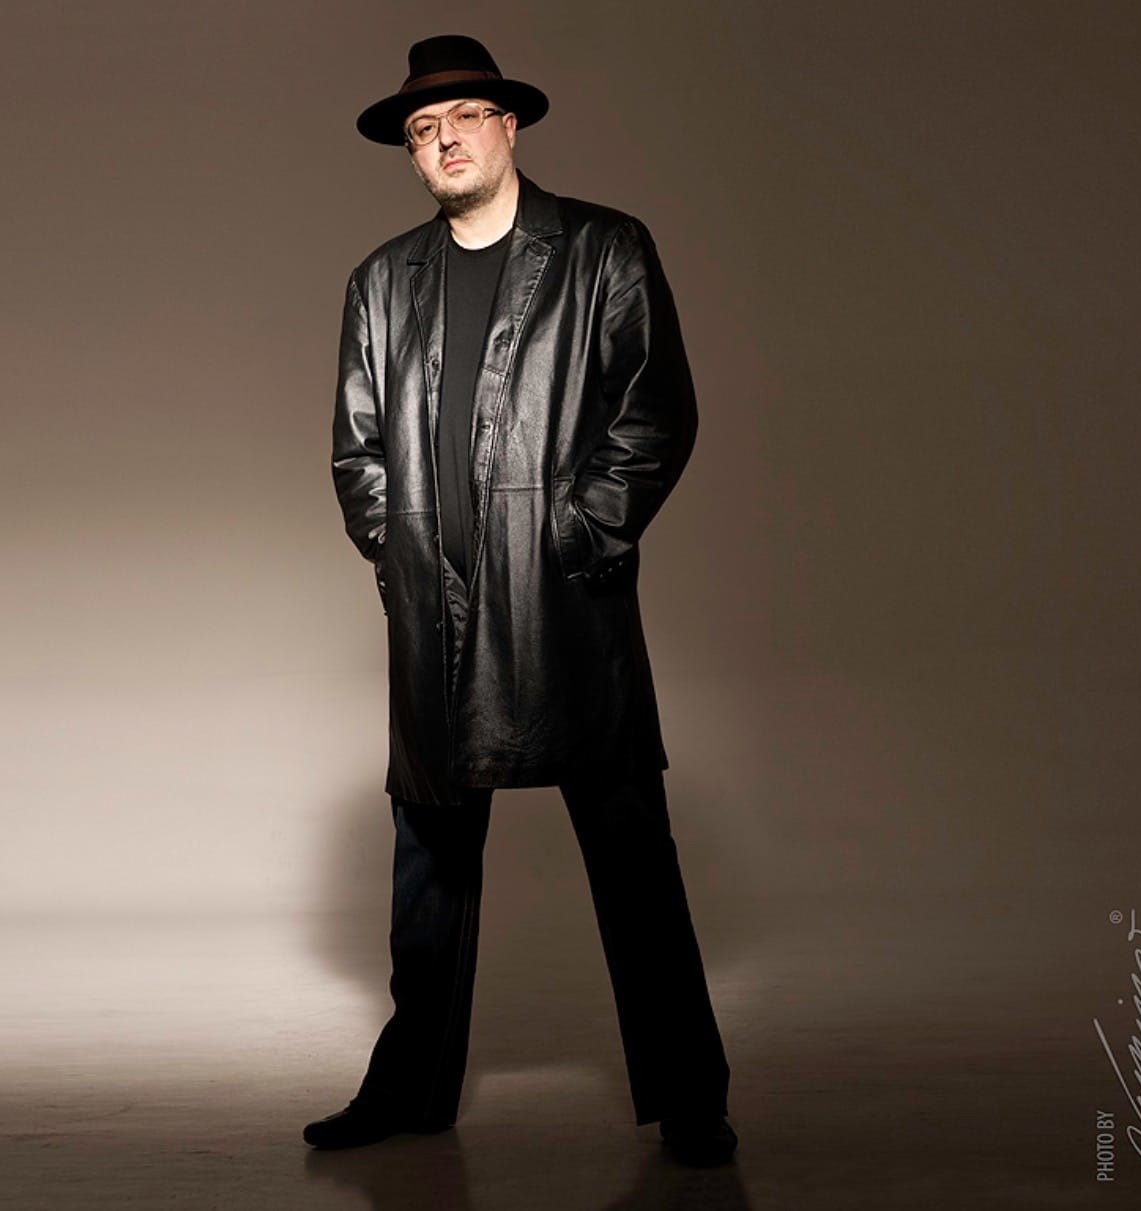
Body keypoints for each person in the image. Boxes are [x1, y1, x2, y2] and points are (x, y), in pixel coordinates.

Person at [305, 34, 736, 1166]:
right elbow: (357, 449)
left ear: (508, 126)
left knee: (631, 856)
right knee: (427, 868)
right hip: (431, 618)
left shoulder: (601, 247)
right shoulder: (380, 281)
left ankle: (689, 1095)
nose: (441, 140)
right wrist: (398, 551)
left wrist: (576, 532)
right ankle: (409, 1088)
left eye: (461, 118)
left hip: (566, 609)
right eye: (421, 131)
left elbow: (655, 409)